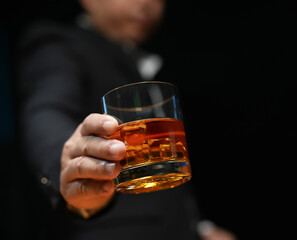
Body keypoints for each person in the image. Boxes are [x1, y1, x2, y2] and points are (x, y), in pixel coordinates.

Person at [16, 0, 236, 239]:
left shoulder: (150, 61)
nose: (146, 4)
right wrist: (67, 164)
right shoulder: (57, 44)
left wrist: (201, 228)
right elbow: (46, 111)